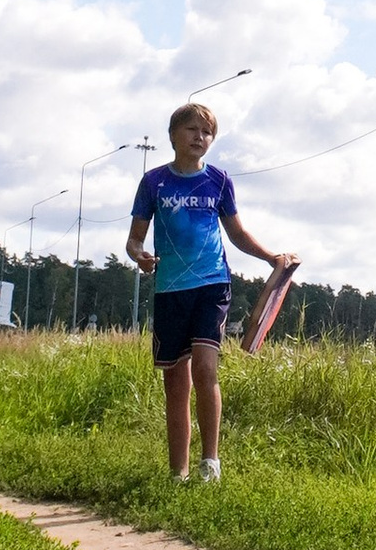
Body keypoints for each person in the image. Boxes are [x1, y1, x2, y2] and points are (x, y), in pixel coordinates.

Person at [125, 104, 291, 482]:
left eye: (206, 132)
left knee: (205, 367)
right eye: (191, 129)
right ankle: (177, 471)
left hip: (212, 284)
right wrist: (140, 256)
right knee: (175, 381)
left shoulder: (218, 180)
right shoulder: (153, 183)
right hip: (170, 289)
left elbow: (236, 233)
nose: (199, 137)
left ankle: (210, 464)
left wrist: (269, 257)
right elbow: (134, 240)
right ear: (173, 135)